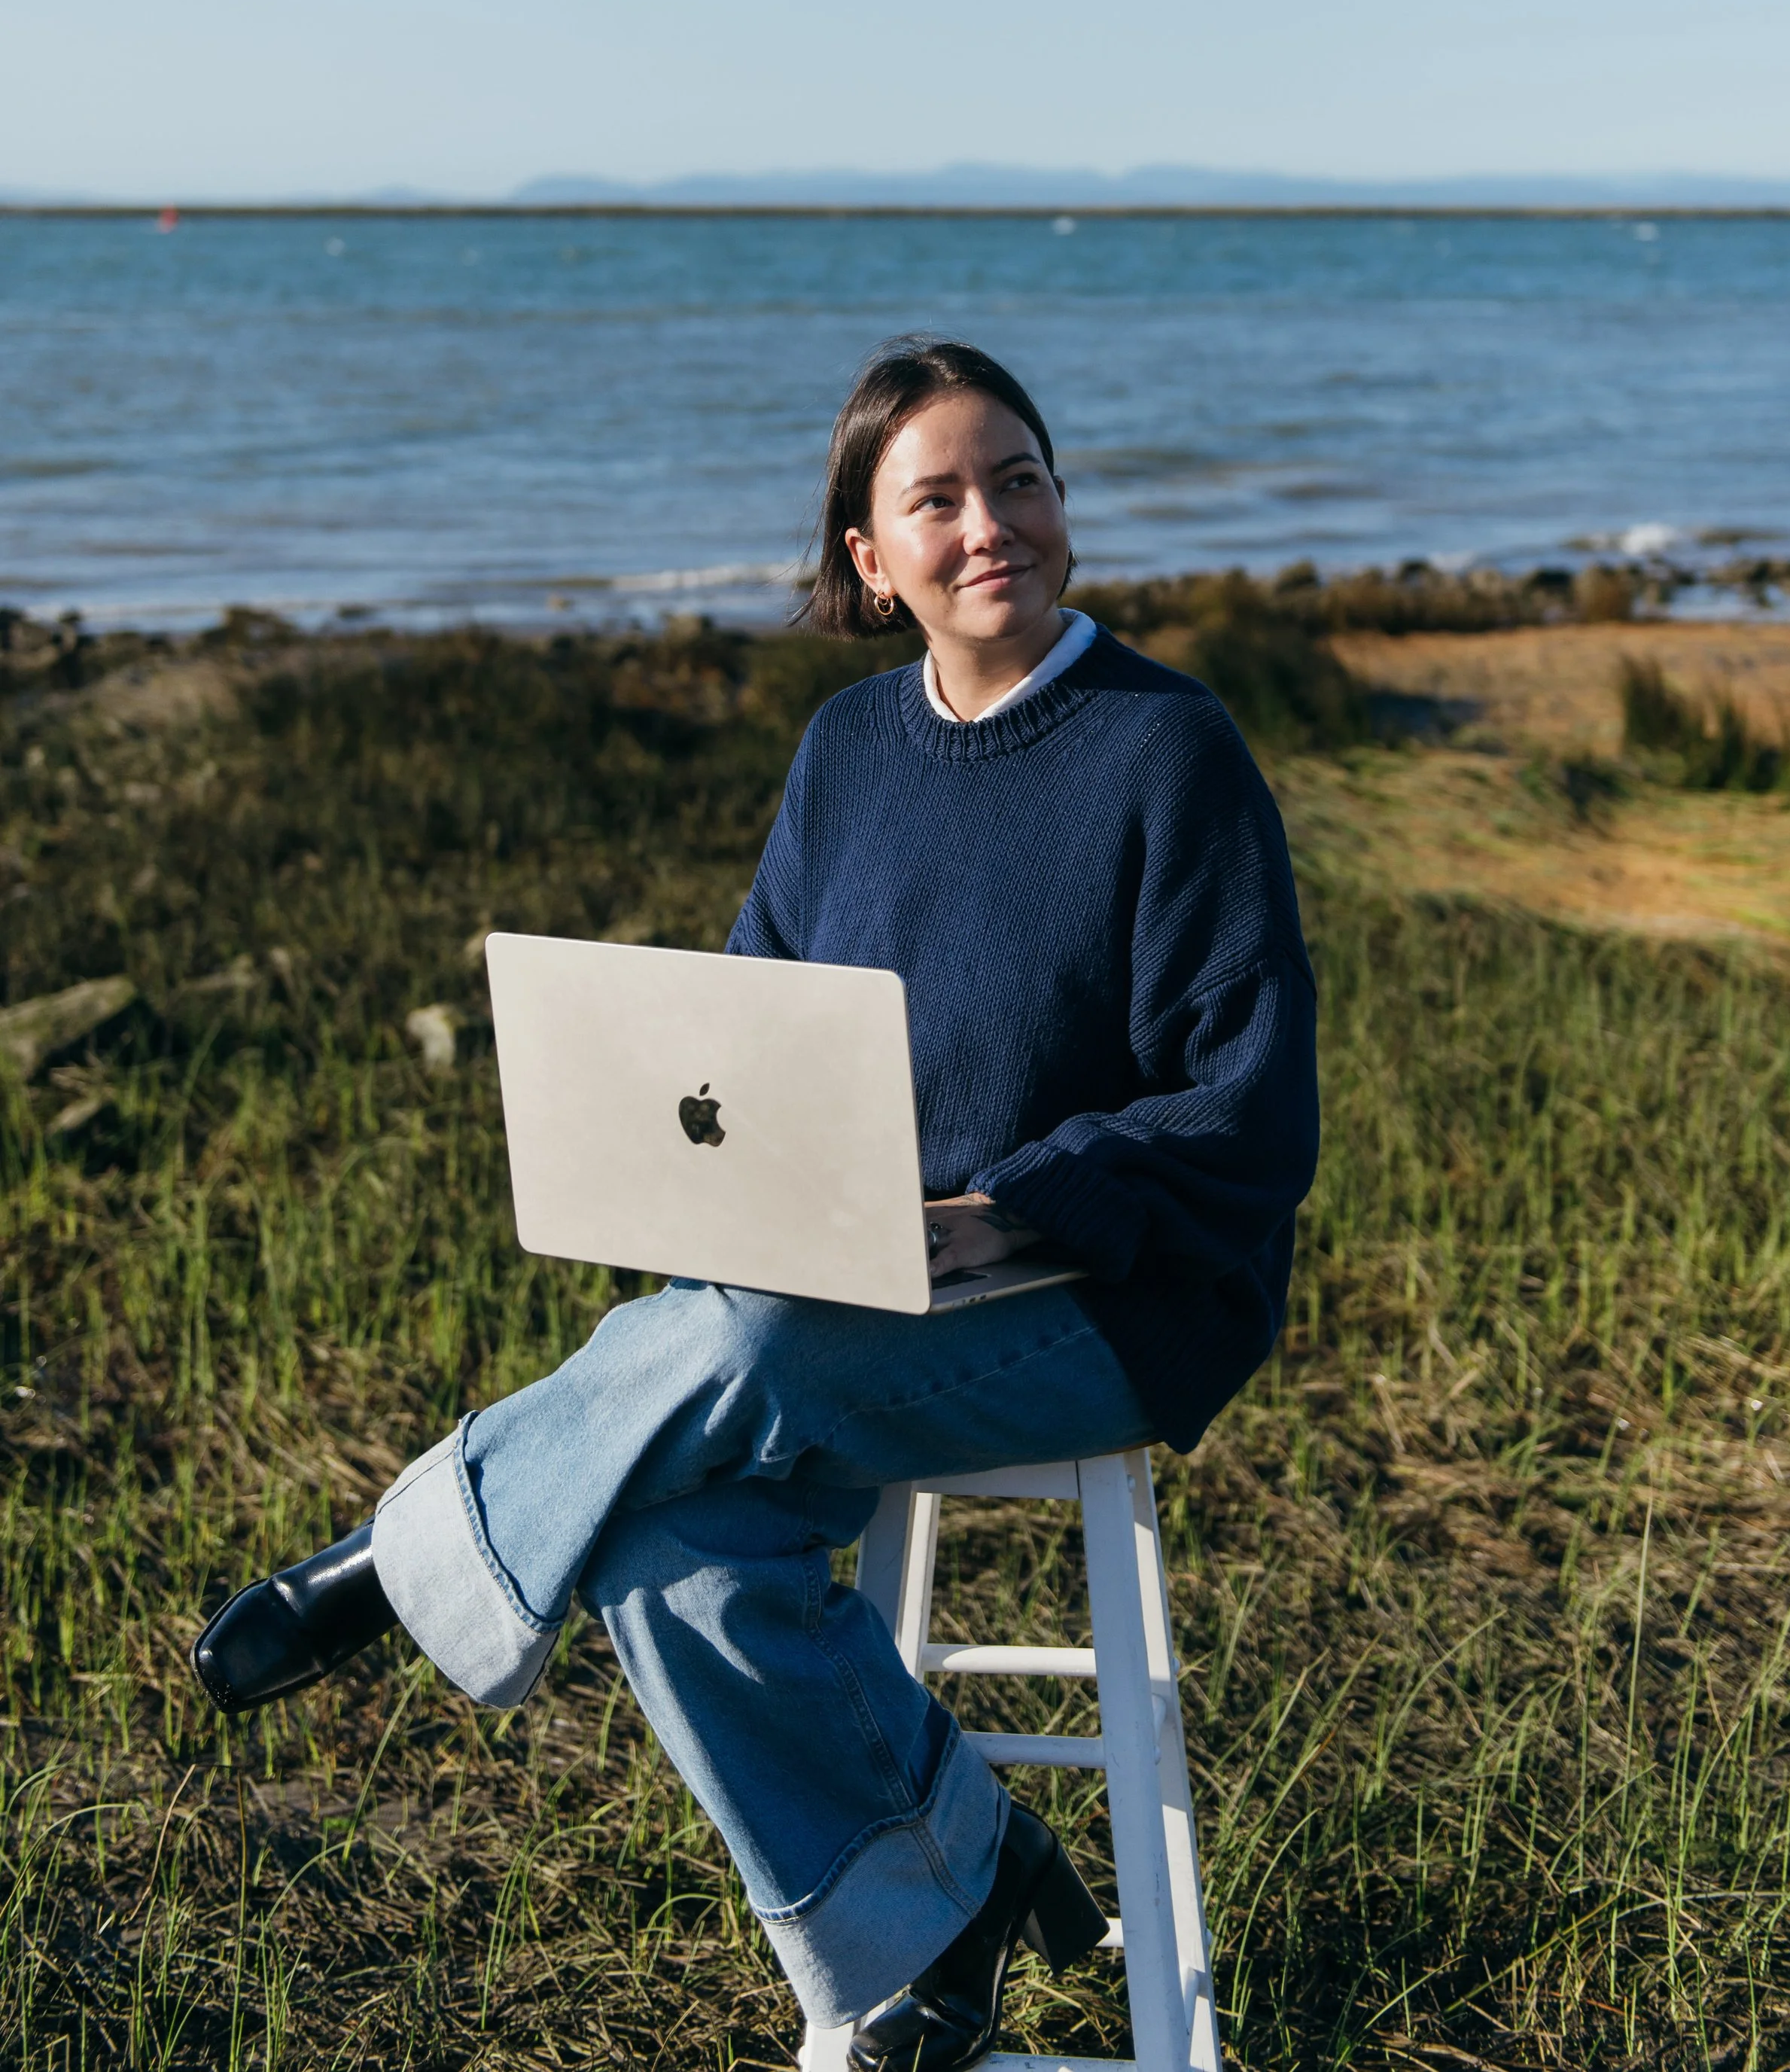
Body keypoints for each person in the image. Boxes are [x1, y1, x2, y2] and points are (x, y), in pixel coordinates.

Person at [192, 337, 1320, 2072]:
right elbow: (749, 1031)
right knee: (661, 1538)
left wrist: (999, 1211)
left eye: (1017, 478)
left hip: (1113, 1295)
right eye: (933, 498)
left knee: (769, 1331)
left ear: (1061, 507)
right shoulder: (847, 750)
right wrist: (720, 1181)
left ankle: (410, 1550)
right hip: (853, 1286)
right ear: (869, 565)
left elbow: (1246, 1117)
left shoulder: (1166, 749)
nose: (987, 522)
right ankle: (933, 1922)